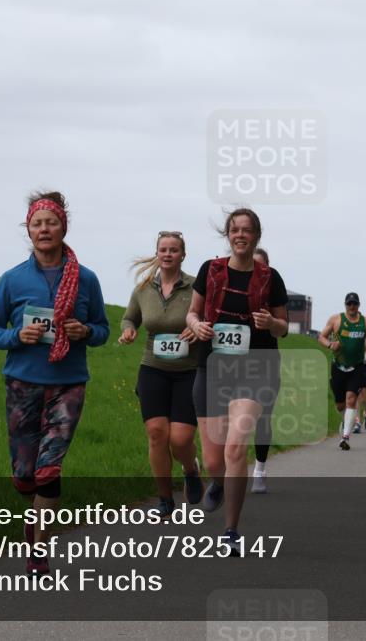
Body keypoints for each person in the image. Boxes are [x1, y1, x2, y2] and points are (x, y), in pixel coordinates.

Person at [0, 191, 110, 574]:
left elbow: (102, 330)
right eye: (37, 223)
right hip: (23, 382)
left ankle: (39, 548)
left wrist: (85, 330)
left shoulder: (86, 280)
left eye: (50, 222)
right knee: (25, 475)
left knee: (49, 469)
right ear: (29, 229)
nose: (44, 229)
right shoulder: (12, 280)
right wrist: (15, 337)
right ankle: (33, 514)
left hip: (68, 382)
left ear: (63, 227)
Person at [187, 208, 289, 553]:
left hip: (256, 367)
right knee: (215, 460)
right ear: (227, 235)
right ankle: (218, 482)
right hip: (212, 366)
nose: (240, 235)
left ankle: (231, 530)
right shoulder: (210, 270)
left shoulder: (270, 277)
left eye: (246, 230)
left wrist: (269, 324)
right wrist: (197, 324)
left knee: (235, 447)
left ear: (256, 236)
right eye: (234, 230)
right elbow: (193, 311)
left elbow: (284, 326)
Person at [119, 231, 203, 517]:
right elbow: (130, 316)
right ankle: (165, 499)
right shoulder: (143, 288)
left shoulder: (195, 287)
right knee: (156, 434)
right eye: (163, 249)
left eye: (174, 250)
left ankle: (191, 469)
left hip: (188, 371)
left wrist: (197, 328)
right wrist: (128, 330)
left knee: (179, 439)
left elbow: (208, 318)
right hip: (153, 367)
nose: (168, 254)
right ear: (157, 253)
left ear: (183, 254)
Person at [318, 292, 366, 450]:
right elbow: (321, 337)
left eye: (355, 304)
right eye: (349, 304)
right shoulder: (336, 319)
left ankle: (345, 437)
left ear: (359, 305)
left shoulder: (365, 321)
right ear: (345, 305)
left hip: (357, 367)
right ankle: (346, 421)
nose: (352, 307)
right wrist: (330, 345)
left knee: (351, 399)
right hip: (338, 366)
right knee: (339, 405)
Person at [250, 247, 279, 494]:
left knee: (262, 417)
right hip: (231, 361)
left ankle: (259, 468)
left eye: (260, 267)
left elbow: (283, 327)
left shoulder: (273, 288)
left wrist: (270, 322)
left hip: (265, 360)